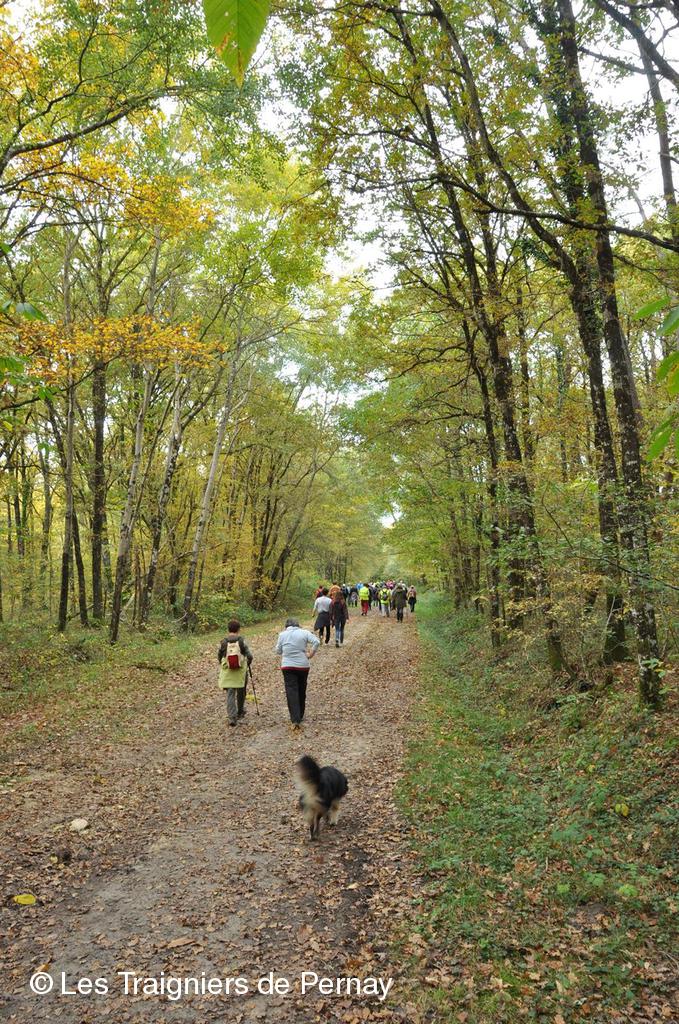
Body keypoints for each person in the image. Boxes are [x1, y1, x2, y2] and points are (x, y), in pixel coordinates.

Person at [275, 617, 320, 730]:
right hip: (303, 666)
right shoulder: (304, 633)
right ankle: (300, 713)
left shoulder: (282, 635)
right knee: (301, 689)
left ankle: (295, 718)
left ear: (286, 626)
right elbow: (316, 641)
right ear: (297, 625)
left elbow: (278, 651)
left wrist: (286, 649)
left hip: (287, 666)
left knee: (291, 691)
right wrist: (311, 654)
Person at [218, 619, 254, 727]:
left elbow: (219, 656)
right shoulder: (241, 641)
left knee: (230, 693)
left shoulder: (223, 642)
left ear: (228, 629)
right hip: (240, 670)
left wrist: (222, 664)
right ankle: (240, 711)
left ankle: (232, 717)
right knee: (241, 691)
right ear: (238, 629)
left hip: (228, 671)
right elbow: (250, 656)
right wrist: (247, 664)